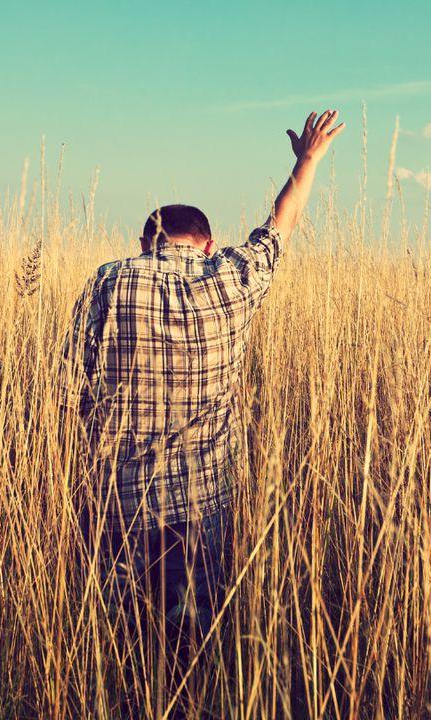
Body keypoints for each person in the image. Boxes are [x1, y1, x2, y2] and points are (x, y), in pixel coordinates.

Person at [60, 109, 345, 706]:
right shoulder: (229, 280)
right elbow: (279, 227)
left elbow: (72, 386)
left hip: (117, 504)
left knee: (117, 655)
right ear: (208, 244)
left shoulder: (106, 283)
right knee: (190, 657)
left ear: (146, 242)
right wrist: (306, 161)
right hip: (197, 512)